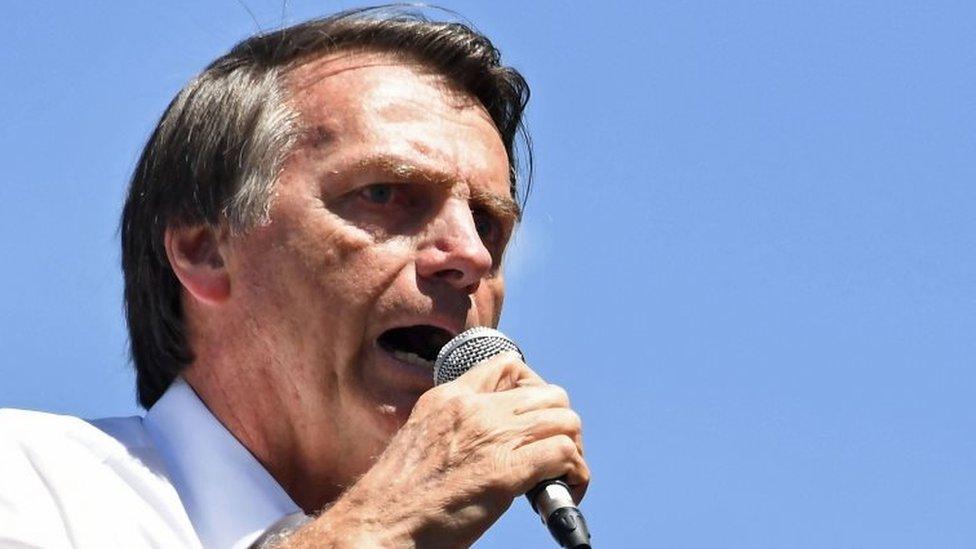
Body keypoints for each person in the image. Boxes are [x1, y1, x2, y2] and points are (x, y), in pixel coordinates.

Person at [0, 7, 589, 548]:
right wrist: (379, 528)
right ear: (206, 250)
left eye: (487, 224)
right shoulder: (27, 479)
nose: (471, 256)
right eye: (383, 194)